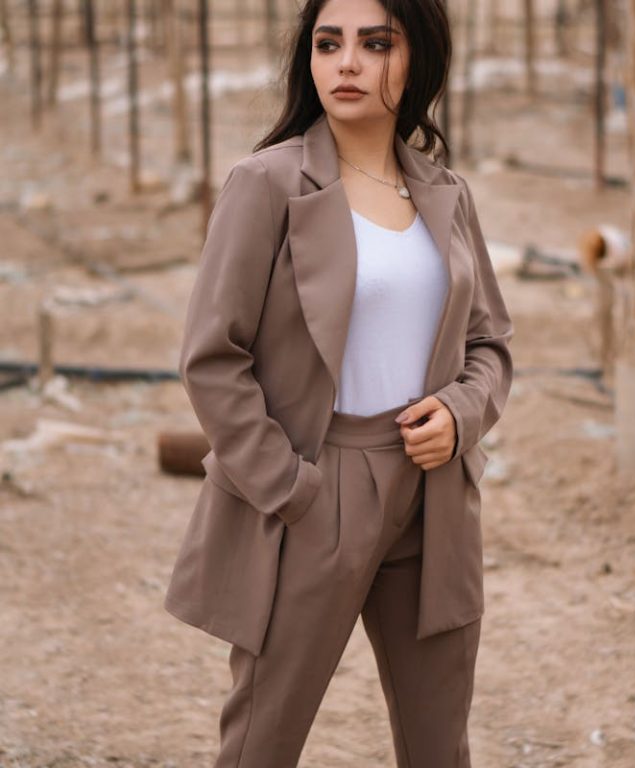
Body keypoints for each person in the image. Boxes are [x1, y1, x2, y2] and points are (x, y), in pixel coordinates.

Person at [163, 0, 514, 766]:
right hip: (318, 485)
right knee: (263, 740)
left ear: (415, 57)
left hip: (435, 494)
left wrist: (461, 411)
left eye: (374, 43)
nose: (346, 62)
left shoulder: (445, 192)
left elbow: (490, 341)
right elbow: (212, 356)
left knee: (439, 744)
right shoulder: (266, 183)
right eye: (329, 44)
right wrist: (290, 488)